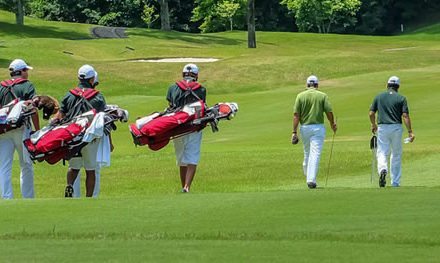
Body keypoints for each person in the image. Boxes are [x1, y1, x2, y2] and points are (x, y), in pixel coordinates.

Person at [52, 65, 109, 197]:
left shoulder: (69, 95)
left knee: (73, 167)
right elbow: (102, 120)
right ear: (92, 79)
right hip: (90, 138)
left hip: (72, 137)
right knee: (90, 170)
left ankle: (70, 185)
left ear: (79, 77)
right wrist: (109, 142)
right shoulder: (98, 97)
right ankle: (89, 198)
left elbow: (60, 116)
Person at [0, 59, 40, 199]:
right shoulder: (27, 85)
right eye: (26, 70)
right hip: (22, 130)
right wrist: (37, 130)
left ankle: (6, 197)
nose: (27, 73)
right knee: (26, 165)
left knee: (4, 166)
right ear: (21, 71)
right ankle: (28, 198)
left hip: (3, 131)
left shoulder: (1, 86)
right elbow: (33, 109)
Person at [166, 64, 206, 193]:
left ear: (183, 74)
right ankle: (187, 186)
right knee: (192, 157)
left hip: (177, 127)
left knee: (181, 158)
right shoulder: (201, 89)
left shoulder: (172, 88)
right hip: (194, 126)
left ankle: (183, 185)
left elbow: (170, 106)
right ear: (196, 75)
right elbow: (201, 108)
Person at [292, 75, 337, 189]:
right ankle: (311, 180)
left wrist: (294, 132)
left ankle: (308, 175)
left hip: (304, 128)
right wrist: (332, 123)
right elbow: (329, 112)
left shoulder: (300, 96)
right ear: (317, 85)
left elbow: (296, 115)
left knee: (307, 153)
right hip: (318, 128)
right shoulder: (322, 96)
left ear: (307, 85)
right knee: (315, 153)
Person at [369, 76, 415, 187]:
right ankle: (395, 182)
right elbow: (405, 115)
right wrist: (410, 131)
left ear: (387, 85)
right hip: (396, 128)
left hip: (382, 128)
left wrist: (373, 124)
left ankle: (383, 170)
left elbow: (371, 113)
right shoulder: (401, 98)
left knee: (382, 152)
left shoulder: (379, 97)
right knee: (396, 154)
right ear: (398, 87)